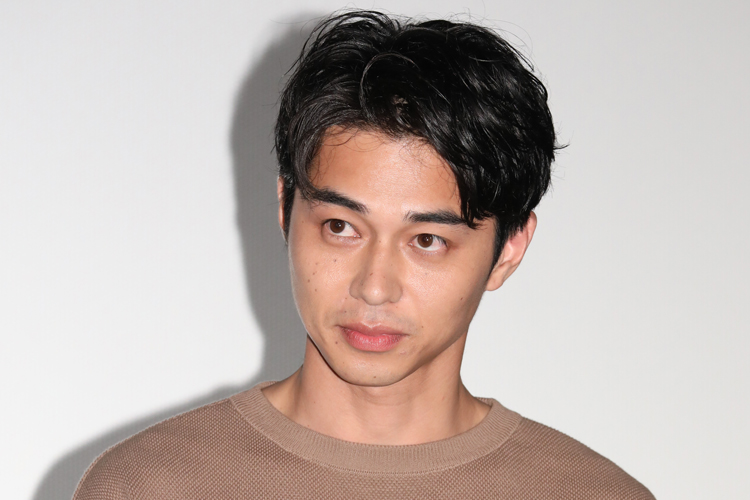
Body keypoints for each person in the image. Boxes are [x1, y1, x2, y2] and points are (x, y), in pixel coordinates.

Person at [73, 11, 655, 499]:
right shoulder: (146, 486)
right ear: (285, 210)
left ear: (509, 250)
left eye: (427, 241)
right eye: (340, 227)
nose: (374, 287)